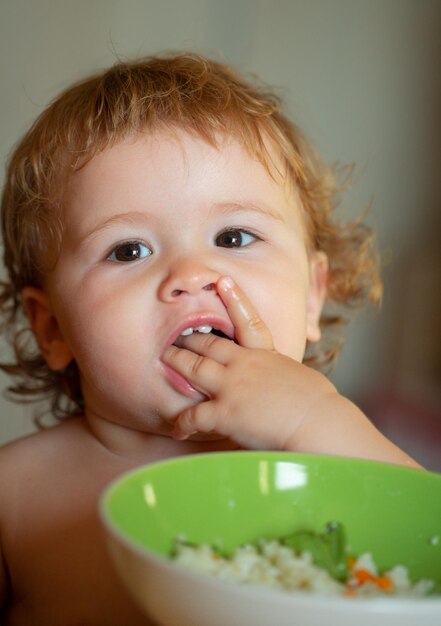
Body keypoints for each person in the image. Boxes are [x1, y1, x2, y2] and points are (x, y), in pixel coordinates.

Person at [0, 53, 420, 625]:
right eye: (129, 250)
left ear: (312, 296)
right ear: (52, 328)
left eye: (234, 235)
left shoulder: (337, 454)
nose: (191, 275)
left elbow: (423, 542)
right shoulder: (17, 499)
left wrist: (311, 421)